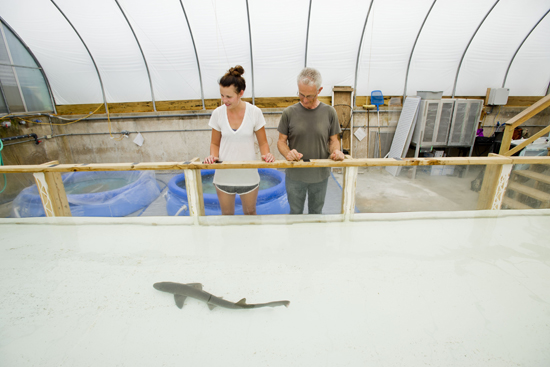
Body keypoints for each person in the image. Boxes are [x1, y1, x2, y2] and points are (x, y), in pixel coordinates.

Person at [204, 65, 274, 215]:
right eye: (222, 95)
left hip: (248, 176)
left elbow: (263, 143)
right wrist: (213, 156)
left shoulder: (254, 112)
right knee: (227, 216)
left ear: (241, 93)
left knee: (250, 213)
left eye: (228, 96)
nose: (224, 100)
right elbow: (214, 143)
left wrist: (266, 154)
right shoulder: (217, 113)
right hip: (224, 176)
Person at [277, 67, 345, 214]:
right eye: (301, 95)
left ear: (319, 91)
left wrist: (336, 152)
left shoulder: (329, 112)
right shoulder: (289, 113)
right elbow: (281, 141)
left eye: (310, 96)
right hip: (295, 176)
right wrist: (288, 153)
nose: (305, 100)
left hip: (320, 176)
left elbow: (334, 140)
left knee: (316, 214)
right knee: (295, 213)